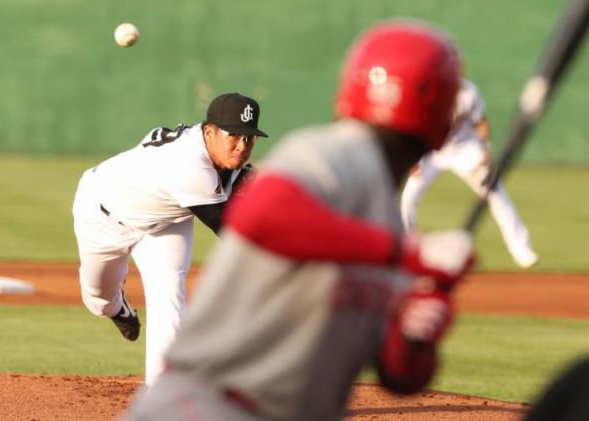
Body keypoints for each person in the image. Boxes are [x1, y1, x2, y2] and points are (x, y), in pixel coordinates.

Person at [125, 20, 474, 421]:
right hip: (205, 408)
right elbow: (262, 215)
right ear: (444, 120)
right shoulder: (332, 154)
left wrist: (418, 328)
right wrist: (407, 255)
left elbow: (400, 376)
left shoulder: (383, 222)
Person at [71, 92, 267, 386]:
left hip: (165, 223)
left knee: (169, 292)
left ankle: (161, 394)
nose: (242, 146)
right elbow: (230, 231)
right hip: (102, 217)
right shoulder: (188, 165)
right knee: (98, 298)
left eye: (250, 138)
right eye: (235, 136)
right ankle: (117, 308)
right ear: (210, 132)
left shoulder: (220, 154)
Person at [400, 78, 539, 268]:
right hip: (432, 151)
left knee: (495, 192)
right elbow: (415, 124)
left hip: (465, 150)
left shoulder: (468, 92)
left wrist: (485, 150)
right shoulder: (427, 91)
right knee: (408, 197)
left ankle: (521, 248)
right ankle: (406, 249)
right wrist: (412, 156)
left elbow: (481, 124)